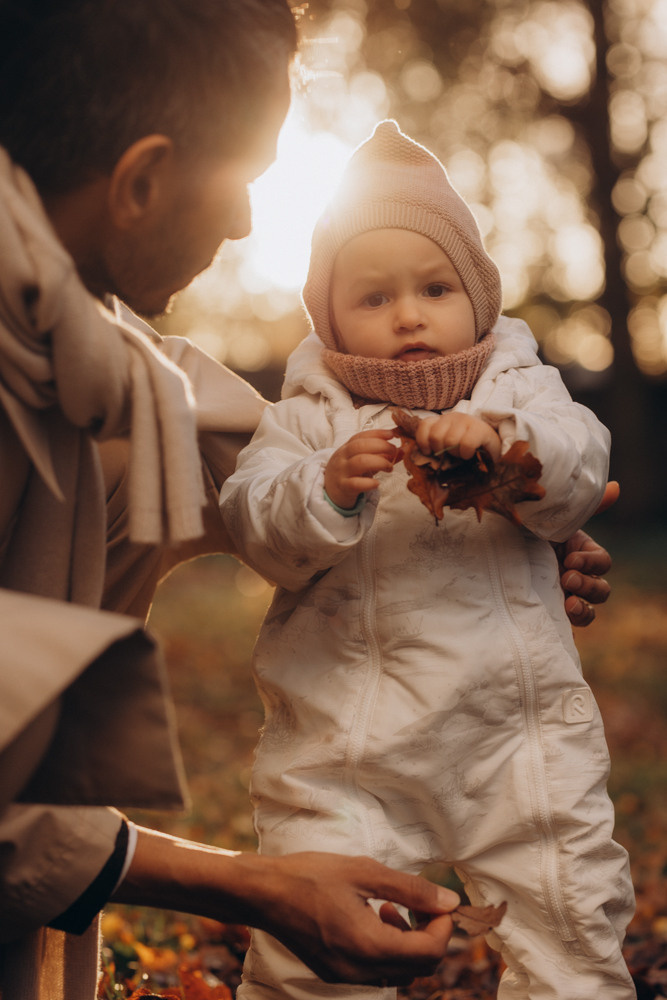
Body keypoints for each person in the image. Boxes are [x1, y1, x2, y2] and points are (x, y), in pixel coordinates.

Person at [0, 0, 616, 996]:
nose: (248, 219)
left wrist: (523, 520)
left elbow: (257, 479)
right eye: (243, 179)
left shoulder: (105, 359)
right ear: (141, 179)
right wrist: (263, 888)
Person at [219, 121, 636, 1000]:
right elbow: (254, 522)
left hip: (514, 742)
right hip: (345, 749)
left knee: (572, 927)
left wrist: (506, 443)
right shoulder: (302, 421)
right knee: (313, 952)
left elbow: (580, 460)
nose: (408, 314)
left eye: (435, 288)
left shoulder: (522, 390)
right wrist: (322, 488)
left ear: (478, 299)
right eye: (372, 298)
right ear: (327, 315)